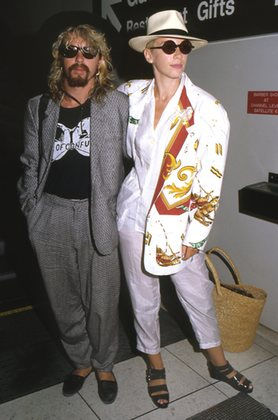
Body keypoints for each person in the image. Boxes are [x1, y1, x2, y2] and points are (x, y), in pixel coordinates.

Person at [117, 10, 253, 409]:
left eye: (185, 46)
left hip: (178, 224)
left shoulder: (208, 109)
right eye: (169, 46)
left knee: (195, 293)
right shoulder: (131, 96)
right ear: (150, 55)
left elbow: (211, 180)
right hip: (131, 214)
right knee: (141, 295)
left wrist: (196, 236)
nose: (179, 53)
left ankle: (218, 361)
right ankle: (154, 364)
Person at [18, 24, 128, 403]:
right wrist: (32, 210)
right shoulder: (40, 106)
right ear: (60, 58)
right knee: (62, 300)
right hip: (50, 215)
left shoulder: (117, 103)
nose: (79, 57)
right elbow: (31, 164)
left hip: (98, 215)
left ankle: (105, 363)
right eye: (71, 50)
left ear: (100, 61)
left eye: (88, 51)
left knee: (102, 299)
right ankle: (80, 360)